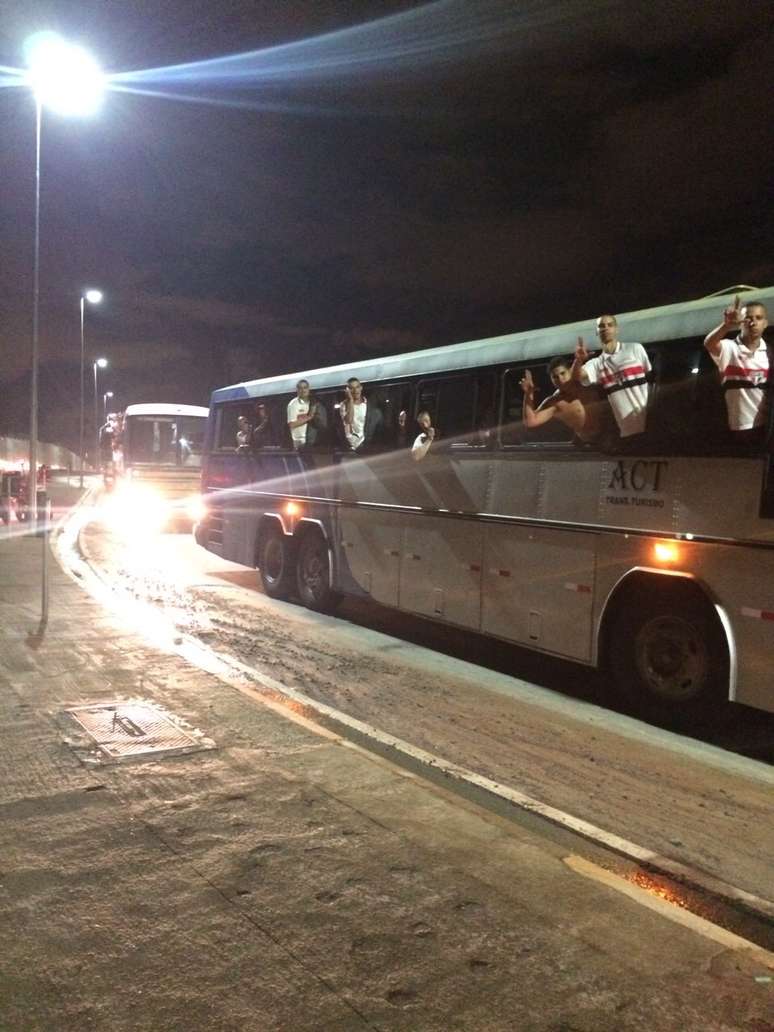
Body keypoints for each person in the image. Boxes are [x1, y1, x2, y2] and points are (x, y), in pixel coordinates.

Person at [574, 316, 651, 438]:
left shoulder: (635, 348)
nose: (606, 328)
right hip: (626, 431)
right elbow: (577, 377)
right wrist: (578, 360)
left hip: (650, 424)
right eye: (601, 326)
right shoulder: (596, 363)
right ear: (596, 332)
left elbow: (650, 377)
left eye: (610, 325)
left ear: (617, 329)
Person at [704, 295, 769, 434]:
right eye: (748, 318)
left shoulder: (770, 353)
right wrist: (726, 325)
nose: (753, 322)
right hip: (739, 431)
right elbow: (709, 344)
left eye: (759, 318)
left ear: (765, 323)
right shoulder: (729, 348)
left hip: (767, 426)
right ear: (740, 322)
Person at [520, 357, 609, 444]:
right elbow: (531, 421)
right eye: (555, 377)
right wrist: (528, 393)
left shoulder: (588, 384)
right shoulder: (555, 402)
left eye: (563, 373)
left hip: (613, 439)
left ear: (570, 371)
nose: (560, 379)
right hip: (590, 447)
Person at [340, 377, 382, 451]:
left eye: (357, 387)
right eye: (351, 388)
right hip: (349, 446)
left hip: (366, 445)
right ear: (347, 390)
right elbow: (349, 420)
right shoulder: (344, 404)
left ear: (361, 388)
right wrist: (350, 400)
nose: (355, 390)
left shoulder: (369, 406)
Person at [286, 380, 319, 450]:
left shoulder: (314, 402)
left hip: (314, 441)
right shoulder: (293, 404)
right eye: (300, 388)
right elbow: (292, 424)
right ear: (297, 390)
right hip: (300, 443)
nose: (303, 390)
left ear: (308, 389)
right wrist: (309, 417)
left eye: (305, 387)